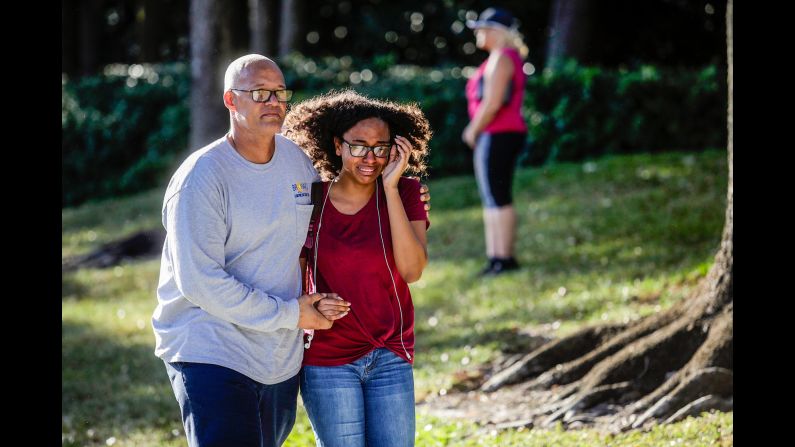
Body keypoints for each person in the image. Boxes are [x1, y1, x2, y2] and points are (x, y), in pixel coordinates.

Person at [151, 54, 354, 447]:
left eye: (280, 93)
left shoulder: (295, 161)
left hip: (276, 353)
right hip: (210, 348)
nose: (274, 102)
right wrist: (292, 314)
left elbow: (326, 227)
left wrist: (400, 200)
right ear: (231, 100)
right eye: (260, 93)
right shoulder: (202, 177)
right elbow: (201, 282)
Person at [282, 90, 431, 447]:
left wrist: (392, 189)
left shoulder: (407, 192)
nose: (370, 157)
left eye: (381, 147)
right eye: (359, 146)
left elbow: (412, 271)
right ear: (337, 145)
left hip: (390, 355)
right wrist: (311, 302)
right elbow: (290, 272)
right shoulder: (312, 200)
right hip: (328, 360)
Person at [461, 8, 529, 275]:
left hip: (498, 133)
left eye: (482, 28)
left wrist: (472, 131)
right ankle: (496, 258)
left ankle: (503, 259)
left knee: (497, 195)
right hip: (497, 133)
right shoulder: (499, 58)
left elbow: (492, 103)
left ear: (497, 32)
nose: (478, 33)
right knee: (492, 196)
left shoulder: (501, 58)